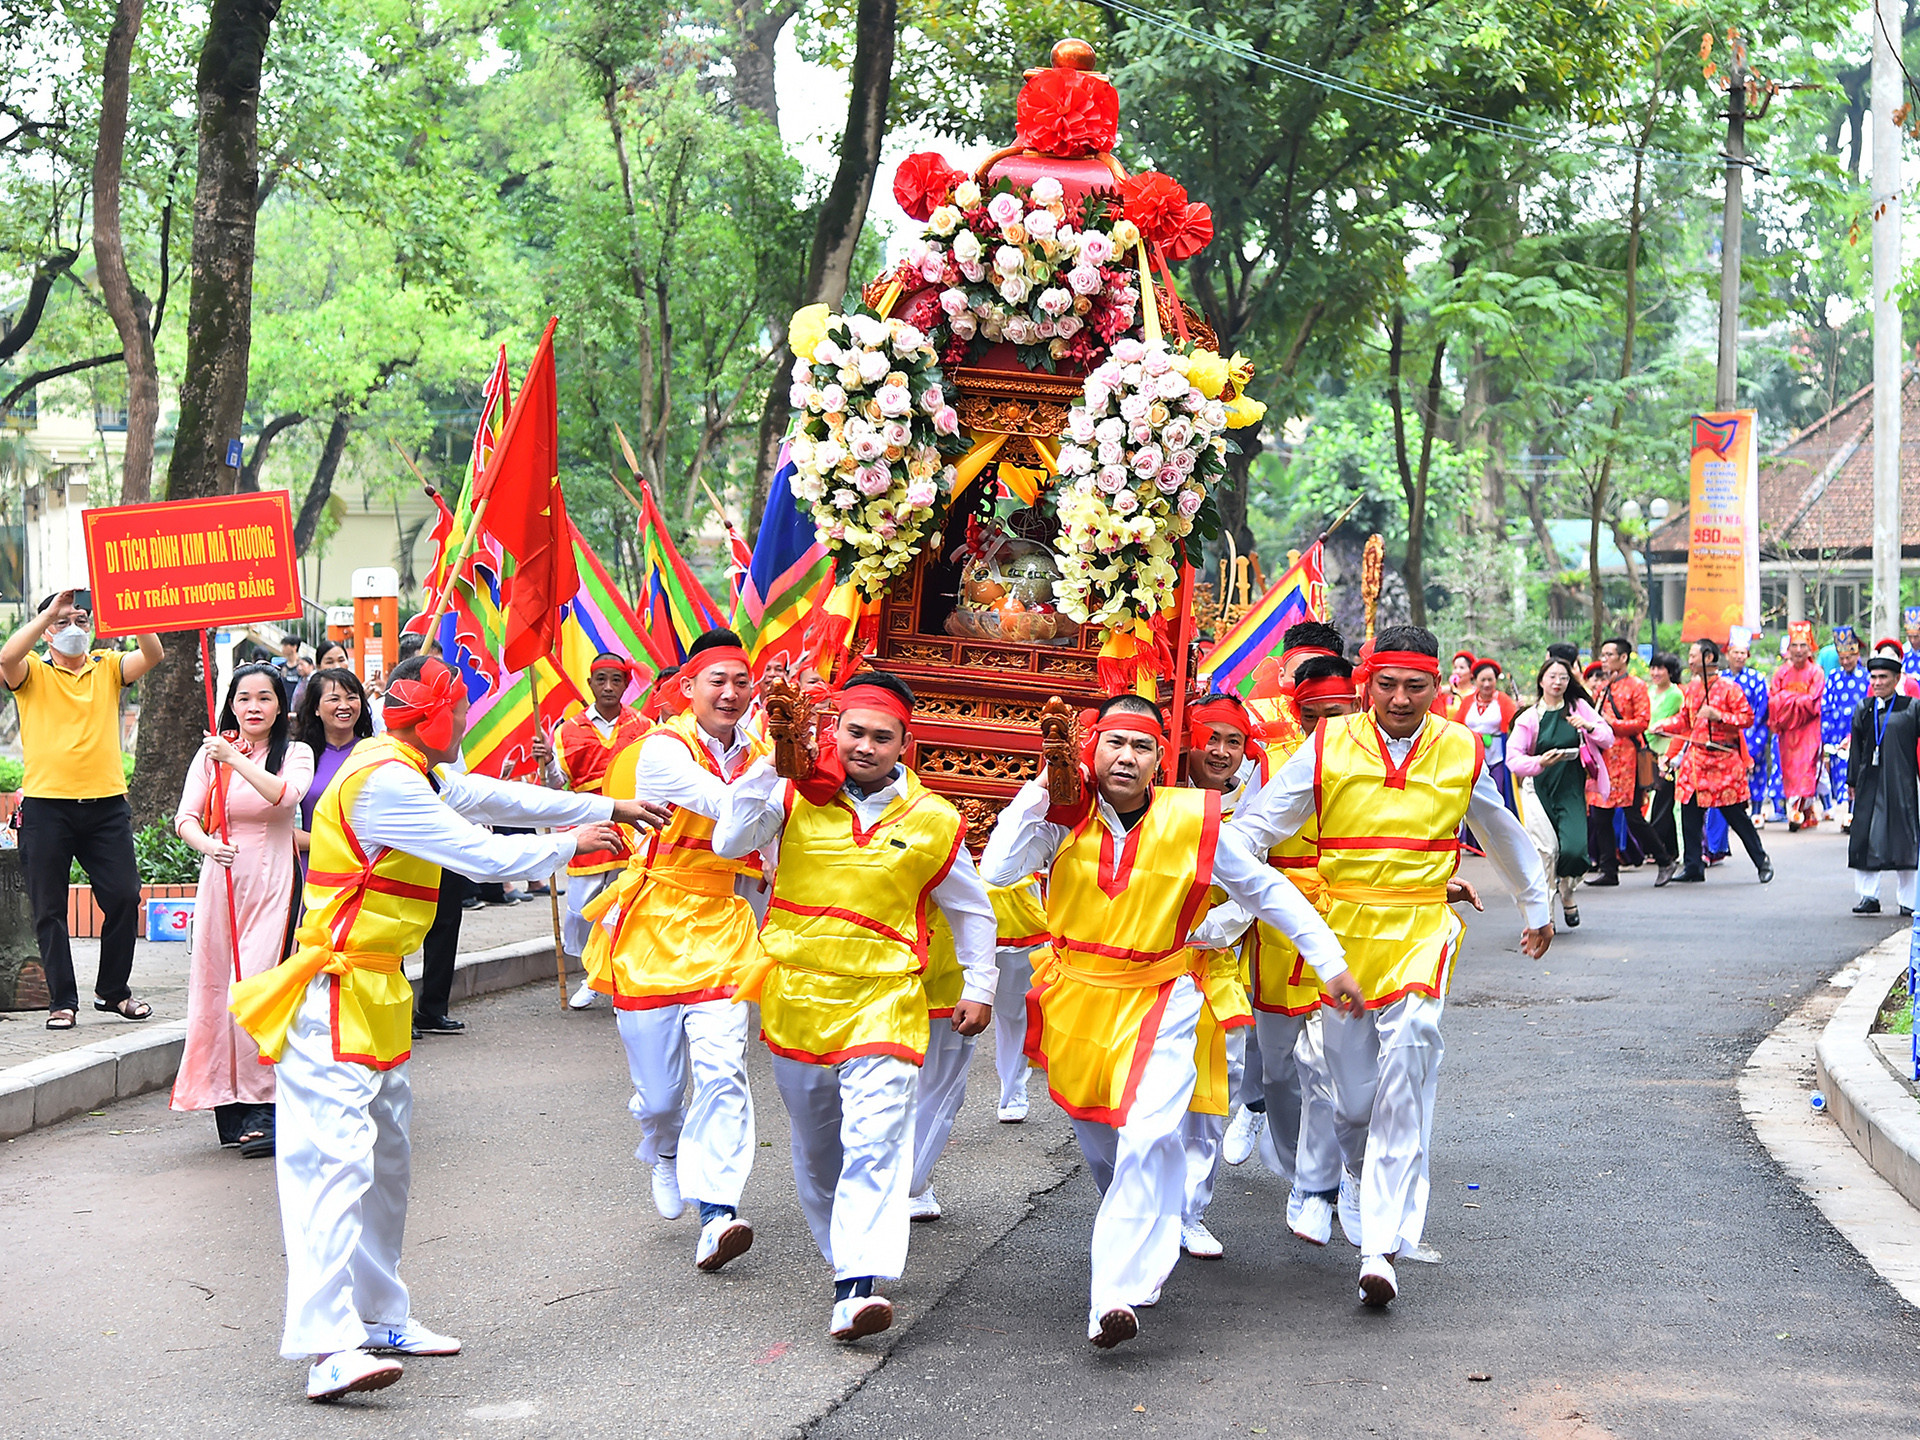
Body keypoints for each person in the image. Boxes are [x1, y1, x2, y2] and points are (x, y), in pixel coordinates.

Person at [227, 655, 669, 1402]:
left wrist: (606, 810)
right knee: (332, 1169)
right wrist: (576, 842)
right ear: (432, 715)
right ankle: (327, 1346)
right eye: (459, 708)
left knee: (386, 1167)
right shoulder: (389, 780)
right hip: (334, 992)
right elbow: (482, 851)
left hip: (375, 991)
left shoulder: (410, 766)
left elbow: (492, 794)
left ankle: (379, 1317)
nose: (465, 719)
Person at [980, 692, 1358, 1348]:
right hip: (1076, 1000)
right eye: (1115, 744)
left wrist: (1330, 963)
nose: (1127, 757)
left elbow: (1267, 892)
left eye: (1142, 747)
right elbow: (999, 867)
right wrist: (1043, 789)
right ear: (1091, 749)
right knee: (1108, 1148)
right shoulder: (1060, 815)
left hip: (1164, 997)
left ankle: (1111, 1297)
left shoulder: (1195, 819)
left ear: (1162, 758)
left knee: (1151, 1137)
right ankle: (1136, 1229)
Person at [1227, 626, 1551, 1308]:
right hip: (1341, 936)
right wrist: (1221, 883)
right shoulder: (1328, 744)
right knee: (1349, 1099)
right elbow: (1256, 827)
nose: (1401, 699)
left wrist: (1535, 904)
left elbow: (1498, 828)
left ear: (1438, 686)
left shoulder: (1462, 746)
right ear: (1368, 682)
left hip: (1420, 929)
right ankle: (1350, 1174)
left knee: (1409, 1065)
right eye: (1388, 685)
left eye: (1417, 686)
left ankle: (1381, 1244)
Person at [712, 670, 996, 1342]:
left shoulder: (934, 819)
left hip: (887, 1000)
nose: (865, 746)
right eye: (854, 732)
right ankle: (846, 1254)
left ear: (905, 744)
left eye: (881, 737)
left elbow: (970, 908)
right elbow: (728, 843)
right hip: (798, 997)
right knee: (817, 1151)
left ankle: (856, 1286)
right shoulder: (789, 796)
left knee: (873, 1140)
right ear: (831, 732)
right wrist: (771, 762)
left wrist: (980, 985)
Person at [580, 631, 768, 1274]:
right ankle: (662, 1147)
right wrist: (782, 773)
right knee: (661, 1095)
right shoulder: (663, 749)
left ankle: (717, 1211)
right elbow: (729, 813)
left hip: (723, 922)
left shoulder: (762, 750)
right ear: (687, 688)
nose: (731, 693)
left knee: (723, 1070)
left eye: (742, 681)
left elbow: (771, 839)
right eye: (717, 680)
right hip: (655, 924)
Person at [1189, 654, 1363, 1253]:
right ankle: (1293, 1165)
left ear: (1356, 707)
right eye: (1310, 716)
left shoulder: (1377, 765)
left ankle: (1327, 1183)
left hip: (1356, 930)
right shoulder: (1278, 765)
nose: (1322, 728)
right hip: (1278, 927)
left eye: (1334, 714)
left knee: (1335, 1065)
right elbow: (1245, 851)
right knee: (1281, 1064)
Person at [1, 589, 165, 1031]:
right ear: (46, 630)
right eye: (62, 621)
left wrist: (124, 612)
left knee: (124, 896)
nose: (73, 629)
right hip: (46, 809)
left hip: (106, 806)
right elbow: (6, 657)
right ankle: (62, 1001)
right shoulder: (32, 670)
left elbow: (153, 652)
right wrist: (47, 616)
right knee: (48, 908)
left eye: (81, 620)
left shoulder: (108, 666)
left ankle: (113, 993)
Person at [171, 665, 314, 1156]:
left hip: (275, 879)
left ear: (281, 707)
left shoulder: (295, 753)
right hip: (222, 883)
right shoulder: (210, 756)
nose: (254, 707)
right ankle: (228, 1107)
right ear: (231, 704)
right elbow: (184, 818)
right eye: (244, 698)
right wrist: (208, 846)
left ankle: (268, 1105)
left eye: (265, 698)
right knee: (217, 991)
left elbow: (284, 796)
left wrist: (235, 756)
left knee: (259, 988)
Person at [1171, 690, 1265, 1260]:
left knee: (1209, 1097)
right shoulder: (1153, 801)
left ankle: (1191, 1210)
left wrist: (1208, 929)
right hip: (1145, 969)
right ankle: (1146, 1207)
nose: (1222, 751)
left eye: (1233, 740)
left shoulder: (1254, 812)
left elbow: (1257, 889)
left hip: (1213, 968)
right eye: (1210, 738)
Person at [533, 652, 651, 1010]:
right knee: (582, 909)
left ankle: (609, 978)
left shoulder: (645, 727)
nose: (609, 687)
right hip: (588, 826)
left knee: (625, 906)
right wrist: (549, 761)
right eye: (602, 679)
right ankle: (590, 966)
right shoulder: (567, 730)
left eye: (616, 679)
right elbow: (558, 785)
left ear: (626, 684)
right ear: (590, 684)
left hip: (634, 829)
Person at [1506, 657, 1613, 928]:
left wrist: (1588, 726)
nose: (1557, 682)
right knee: (1547, 851)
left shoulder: (1579, 707)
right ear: (1541, 680)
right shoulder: (1530, 717)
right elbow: (1513, 759)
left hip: (1571, 789)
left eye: (1563, 678)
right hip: (1538, 788)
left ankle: (1567, 892)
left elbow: (1607, 737)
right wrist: (1539, 762)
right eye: (1552, 676)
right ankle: (1545, 917)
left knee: (1575, 851)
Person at [1658, 639, 1774, 884]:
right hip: (1695, 762)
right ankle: (1693, 866)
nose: (1689, 661)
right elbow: (1685, 721)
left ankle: (1761, 860)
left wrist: (1719, 716)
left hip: (1723, 762)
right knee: (1689, 815)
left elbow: (1747, 718)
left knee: (1735, 815)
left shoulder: (1729, 688)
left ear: (1708, 658)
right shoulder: (1692, 688)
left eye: (1693, 655)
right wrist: (1664, 726)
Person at [1586, 636, 1676, 887]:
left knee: (1632, 815)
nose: (1604, 660)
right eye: (1602, 655)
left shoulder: (1636, 686)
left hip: (1628, 759)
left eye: (1609, 655)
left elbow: (1642, 722)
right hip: (1604, 757)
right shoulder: (1602, 688)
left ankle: (1664, 860)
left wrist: (1611, 724)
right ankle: (1608, 869)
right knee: (1600, 814)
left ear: (1623, 658)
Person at [1846, 655, 1919, 915]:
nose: (1877, 683)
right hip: (1869, 781)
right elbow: (1856, 746)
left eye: (1883, 677)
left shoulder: (1912, 708)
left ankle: (1909, 901)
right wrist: (1852, 780)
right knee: (1865, 836)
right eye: (1873, 677)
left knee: (1904, 839)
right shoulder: (1863, 708)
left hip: (1901, 782)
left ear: (1897, 679)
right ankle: (1868, 896)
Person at [294, 668, 377, 853]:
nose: (344, 705)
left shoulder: (376, 752)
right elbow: (281, 831)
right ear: (316, 708)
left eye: (351, 697)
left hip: (366, 869)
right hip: (314, 869)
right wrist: (337, 843)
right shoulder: (298, 756)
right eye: (334, 699)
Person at [1768, 621, 1826, 830]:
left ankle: (1797, 811)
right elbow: (1773, 701)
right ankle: (1803, 812)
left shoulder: (1816, 672)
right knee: (1790, 771)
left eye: (1803, 645)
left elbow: (1813, 702)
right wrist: (1794, 700)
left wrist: (1787, 699)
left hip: (1809, 730)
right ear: (1788, 648)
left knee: (1806, 769)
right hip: (1787, 731)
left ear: (1810, 648)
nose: (1799, 650)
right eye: (1795, 645)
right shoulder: (1781, 673)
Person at [1723, 640, 1775, 824]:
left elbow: (1762, 706)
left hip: (1754, 730)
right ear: (1727, 654)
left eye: (1743, 653)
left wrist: (1752, 727)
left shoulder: (1757, 678)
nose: (1739, 656)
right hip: (1727, 732)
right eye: (1735, 652)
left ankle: (1757, 809)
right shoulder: (1721, 679)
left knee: (1756, 768)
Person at [1823, 628, 1870, 827]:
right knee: (1841, 776)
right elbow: (1826, 706)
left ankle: (1855, 814)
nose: (1845, 662)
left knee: (1860, 774)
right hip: (1837, 736)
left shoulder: (1867, 677)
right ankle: (1847, 814)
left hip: (1861, 735)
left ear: (1857, 654)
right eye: (1842, 657)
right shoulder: (1833, 677)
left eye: (1849, 657)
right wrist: (1826, 739)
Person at [1644, 653, 1684, 862]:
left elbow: (1659, 723)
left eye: (1661, 669)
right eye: (1653, 668)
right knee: (1656, 799)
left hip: (1667, 754)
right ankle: (1668, 847)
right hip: (1648, 752)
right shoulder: (1648, 691)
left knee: (1662, 799)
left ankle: (1658, 846)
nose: (1655, 673)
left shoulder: (1675, 694)